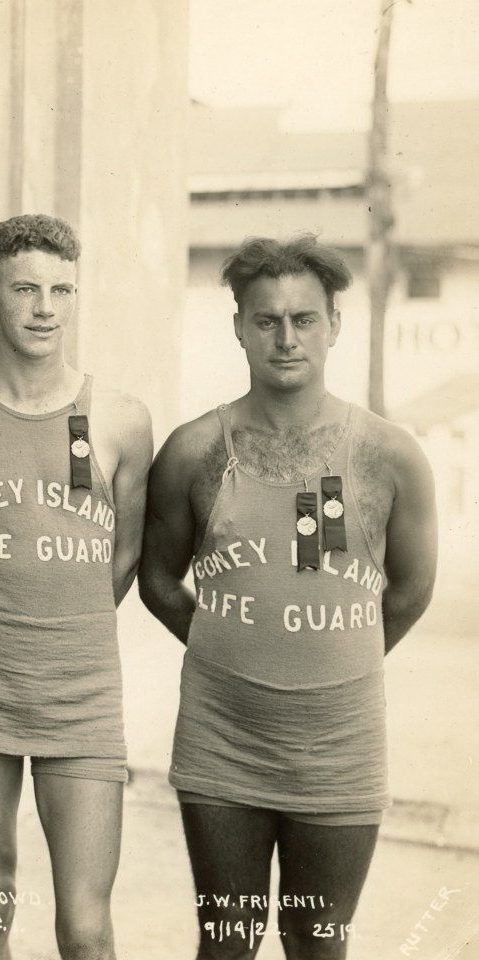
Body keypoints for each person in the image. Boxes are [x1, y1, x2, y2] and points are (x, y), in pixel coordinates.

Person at [138, 234, 437, 959]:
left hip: (340, 748)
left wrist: (331, 657)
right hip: (222, 742)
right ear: (237, 326)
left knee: (316, 940)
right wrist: (231, 646)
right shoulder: (191, 450)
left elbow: (408, 591)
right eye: (265, 319)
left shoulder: (388, 454)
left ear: (334, 324)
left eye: (304, 319)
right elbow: (156, 580)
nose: (285, 337)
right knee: (227, 940)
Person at [0, 214, 154, 960]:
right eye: (25, 289)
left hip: (81, 694)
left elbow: (123, 559)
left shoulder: (120, 418)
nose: (44, 307)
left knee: (85, 928)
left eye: (59, 290)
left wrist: (64, 621)